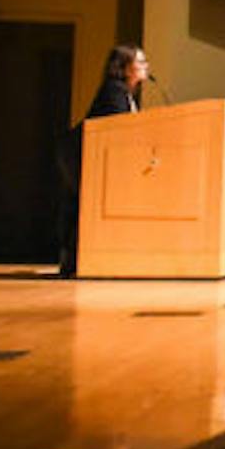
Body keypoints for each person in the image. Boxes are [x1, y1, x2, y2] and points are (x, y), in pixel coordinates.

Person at [57, 43, 151, 276]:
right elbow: (118, 131)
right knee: (84, 206)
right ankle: (73, 264)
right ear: (124, 67)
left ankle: (76, 264)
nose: (145, 66)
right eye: (140, 62)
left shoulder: (125, 93)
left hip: (88, 155)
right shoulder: (114, 92)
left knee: (83, 206)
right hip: (79, 154)